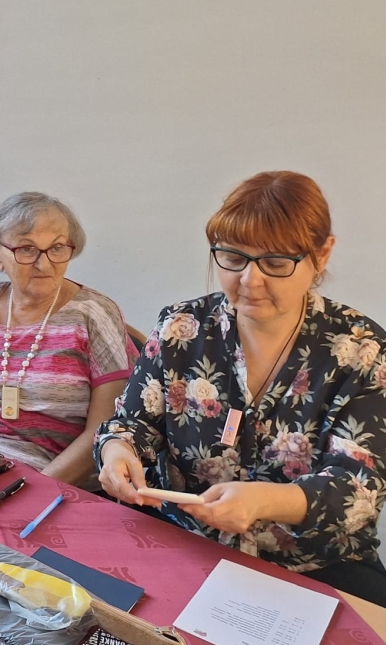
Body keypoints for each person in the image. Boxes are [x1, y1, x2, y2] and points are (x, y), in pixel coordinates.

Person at [96, 171, 386, 605]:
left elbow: (357, 487)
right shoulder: (181, 328)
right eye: (233, 257)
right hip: (188, 539)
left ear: (322, 254)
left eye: (276, 263)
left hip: (312, 562)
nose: (250, 280)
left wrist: (266, 500)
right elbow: (133, 423)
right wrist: (117, 451)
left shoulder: (362, 351)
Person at [0, 191, 135, 485]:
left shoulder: (96, 315)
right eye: (27, 249)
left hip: (48, 481)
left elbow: (103, 429)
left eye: (57, 248)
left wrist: (32, 492)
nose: (44, 264)